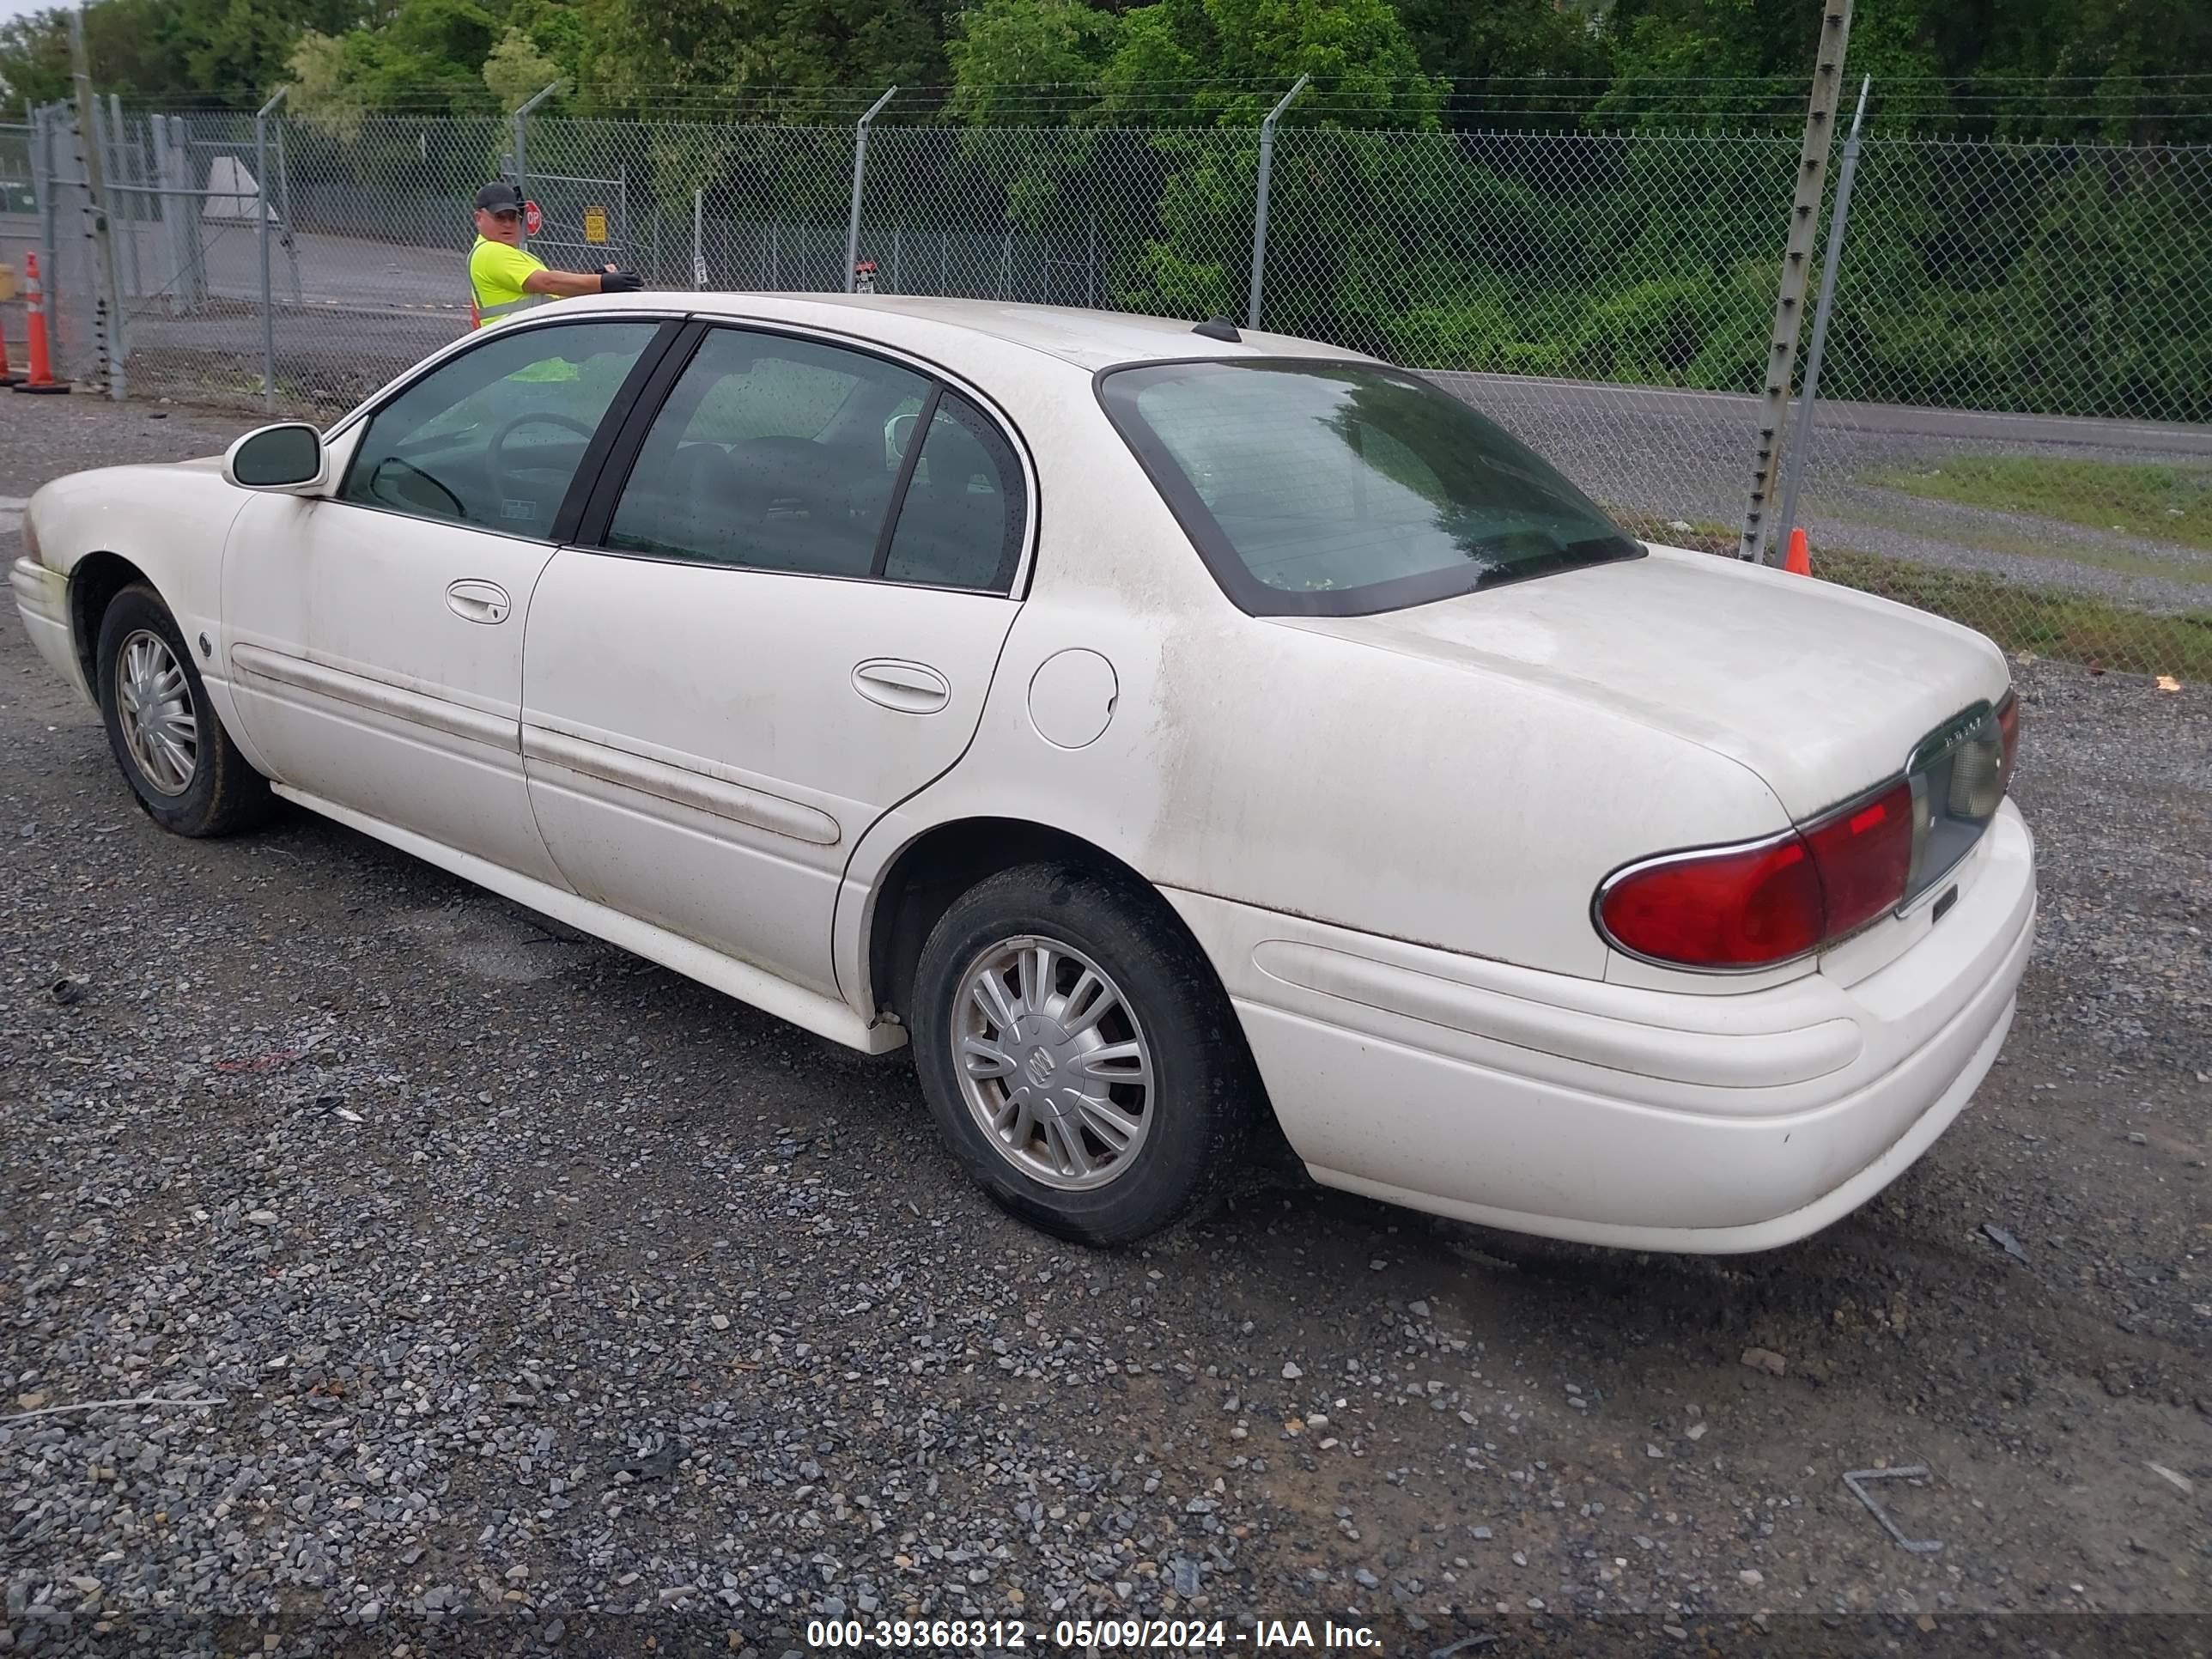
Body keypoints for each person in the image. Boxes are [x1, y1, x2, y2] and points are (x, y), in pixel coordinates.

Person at [469, 181, 642, 328]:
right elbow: (549, 282)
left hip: (528, 353)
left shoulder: (499, 253)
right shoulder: (491, 251)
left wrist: (594, 280)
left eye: (513, 217)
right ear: (478, 218)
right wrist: (603, 282)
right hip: (529, 359)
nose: (508, 224)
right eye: (500, 217)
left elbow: (554, 293)